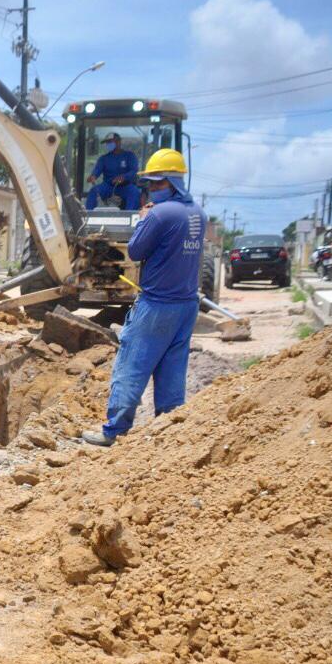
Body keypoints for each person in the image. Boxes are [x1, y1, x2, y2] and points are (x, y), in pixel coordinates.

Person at [83, 149, 206, 447]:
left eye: (155, 184)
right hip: (187, 304)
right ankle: (168, 429)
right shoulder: (199, 214)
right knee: (173, 369)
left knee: (131, 364)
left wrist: (142, 220)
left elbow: (136, 251)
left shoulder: (160, 214)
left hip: (156, 304)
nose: (150, 189)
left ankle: (113, 430)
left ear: (169, 182)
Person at [85, 132, 141, 211]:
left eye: (110, 142)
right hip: (108, 186)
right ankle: (88, 216)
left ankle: (130, 216)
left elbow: (134, 171)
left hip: (126, 186)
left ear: (118, 142)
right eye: (107, 143)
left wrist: (124, 177)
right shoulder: (104, 158)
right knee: (93, 191)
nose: (108, 144)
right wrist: (93, 177)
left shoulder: (129, 156)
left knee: (134, 192)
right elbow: (96, 171)